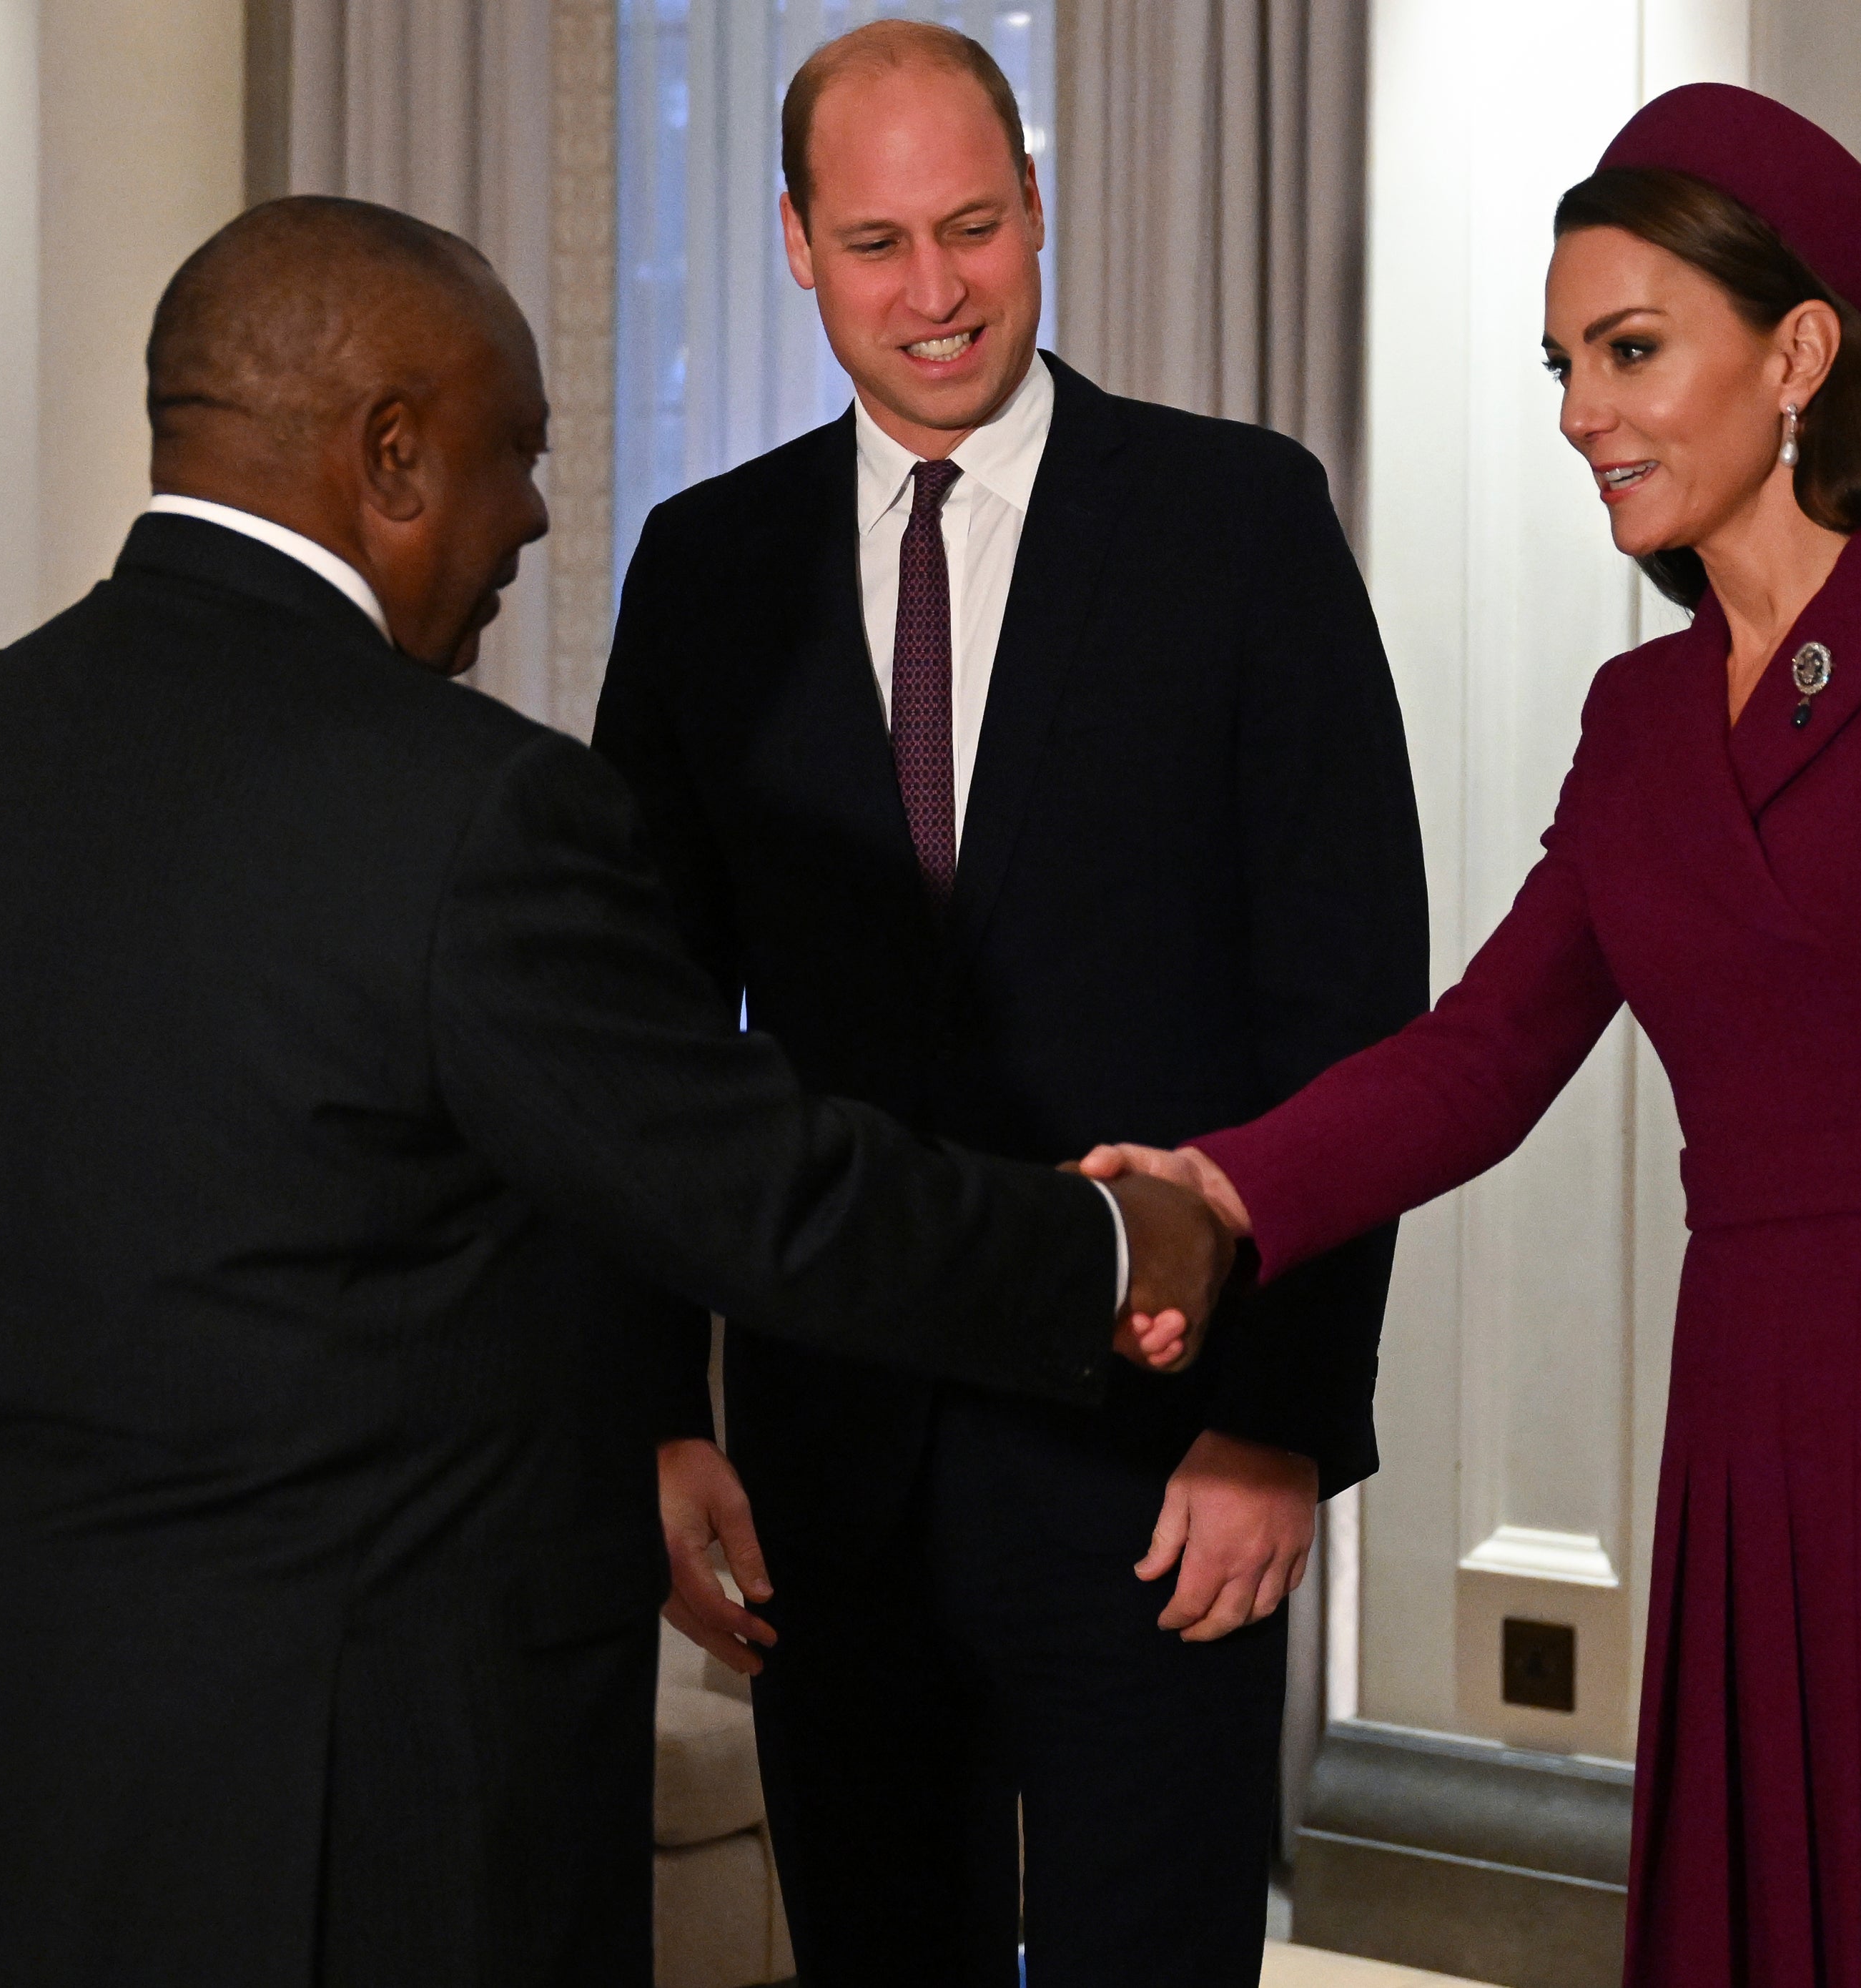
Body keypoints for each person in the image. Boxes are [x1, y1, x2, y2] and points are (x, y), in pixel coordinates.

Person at [0, 195, 1231, 1988]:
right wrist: (1111, 1244)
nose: (538, 513)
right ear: (394, 455)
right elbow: (755, 1188)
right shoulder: (474, 814)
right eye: (515, 453)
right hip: (342, 1850)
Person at [1086, 84, 1861, 1987]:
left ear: (1795, 354)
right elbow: (1479, 1056)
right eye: (1558, 363)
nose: (1576, 412)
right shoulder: (1635, 720)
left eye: (1628, 349)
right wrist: (1215, 1183)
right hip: (1750, 1418)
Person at [591, 22, 1426, 1987]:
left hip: (1162, 1454)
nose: (936, 289)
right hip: (826, 1461)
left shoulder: (1241, 525)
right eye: (876, 241)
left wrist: (1284, 1421)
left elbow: (1350, 1011)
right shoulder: (703, 571)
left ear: (1038, 211)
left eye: (973, 226)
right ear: (796, 245)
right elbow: (631, 1027)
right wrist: (650, 1408)